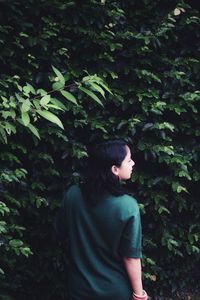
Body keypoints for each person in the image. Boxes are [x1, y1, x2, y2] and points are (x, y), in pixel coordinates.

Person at [55, 139, 148, 300]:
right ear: (114, 169)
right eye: (128, 160)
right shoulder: (127, 206)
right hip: (116, 292)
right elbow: (131, 257)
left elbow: (59, 232)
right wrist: (139, 295)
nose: (133, 163)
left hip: (79, 289)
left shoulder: (73, 195)